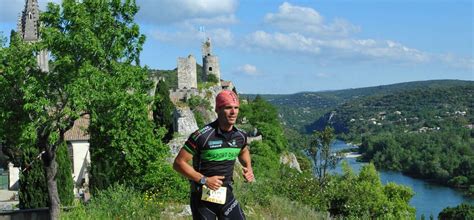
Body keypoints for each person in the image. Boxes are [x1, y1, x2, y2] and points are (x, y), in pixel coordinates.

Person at [173, 90, 254, 220]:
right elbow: (178, 163)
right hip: (202, 198)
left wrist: (248, 168)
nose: (233, 112)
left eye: (236, 108)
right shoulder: (202, 136)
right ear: (218, 109)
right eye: (228, 108)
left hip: (226, 194)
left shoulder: (240, 136)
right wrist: (204, 180)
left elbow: (243, 151)